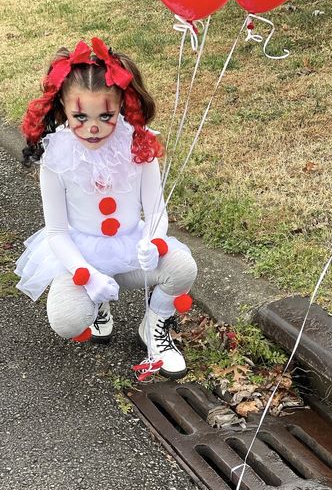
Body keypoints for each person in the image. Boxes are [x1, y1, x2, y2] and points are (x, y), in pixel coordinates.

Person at [15, 37, 197, 379]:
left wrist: (154, 241)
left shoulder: (138, 146)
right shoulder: (55, 158)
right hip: (82, 253)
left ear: (122, 107)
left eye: (106, 115)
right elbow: (56, 232)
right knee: (68, 322)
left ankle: (154, 326)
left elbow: (156, 210)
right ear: (63, 110)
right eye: (80, 116)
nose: (94, 127)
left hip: (131, 248)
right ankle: (96, 306)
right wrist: (87, 275)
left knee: (182, 267)